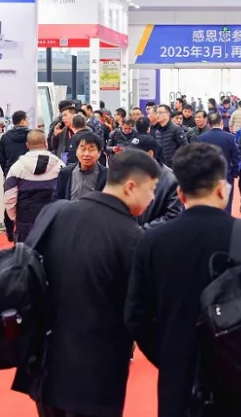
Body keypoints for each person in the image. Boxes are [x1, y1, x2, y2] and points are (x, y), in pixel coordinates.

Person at [125, 143, 241, 417]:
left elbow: (136, 316)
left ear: (180, 193)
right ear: (222, 188)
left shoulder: (153, 241)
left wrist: (169, 356)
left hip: (182, 382)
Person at [30, 150, 161, 417]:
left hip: (45, 366)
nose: (152, 199)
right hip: (97, 377)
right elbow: (138, 314)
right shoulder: (132, 238)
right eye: (151, 190)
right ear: (130, 186)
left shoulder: (55, 213)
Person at [3, 130, 64, 243]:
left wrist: (16, 218)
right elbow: (65, 193)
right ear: (46, 143)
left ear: (27, 145)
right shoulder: (60, 165)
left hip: (25, 220)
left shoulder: (16, 168)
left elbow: (9, 197)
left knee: (25, 253)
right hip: (52, 219)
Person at [127, 135, 182, 230]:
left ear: (150, 154)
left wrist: (142, 230)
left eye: (135, 154)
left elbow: (173, 215)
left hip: (156, 236)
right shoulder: (129, 174)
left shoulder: (170, 180)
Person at [199, 112, 241, 214]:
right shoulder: (230, 137)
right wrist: (235, 172)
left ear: (209, 124)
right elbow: (236, 157)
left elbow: (199, 158)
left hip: (207, 175)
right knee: (226, 201)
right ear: (221, 122)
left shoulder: (202, 138)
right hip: (226, 174)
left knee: (209, 200)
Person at [0, 111, 30, 242]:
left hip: (10, 173)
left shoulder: (5, 137)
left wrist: (7, 171)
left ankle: (9, 230)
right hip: (27, 173)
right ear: (23, 120)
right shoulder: (30, 135)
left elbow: (1, 157)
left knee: (10, 201)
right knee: (26, 200)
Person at [54, 133, 107, 201]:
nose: (86, 154)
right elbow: (57, 199)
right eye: (83, 149)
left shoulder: (107, 176)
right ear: (76, 151)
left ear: (99, 153)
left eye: (91, 150)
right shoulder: (65, 173)